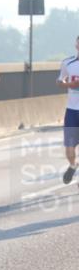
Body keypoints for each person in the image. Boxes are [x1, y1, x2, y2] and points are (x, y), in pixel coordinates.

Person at [57, 35, 79, 184]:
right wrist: (68, 85)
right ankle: (72, 165)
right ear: (76, 45)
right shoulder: (68, 63)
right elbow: (60, 80)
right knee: (69, 147)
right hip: (72, 110)